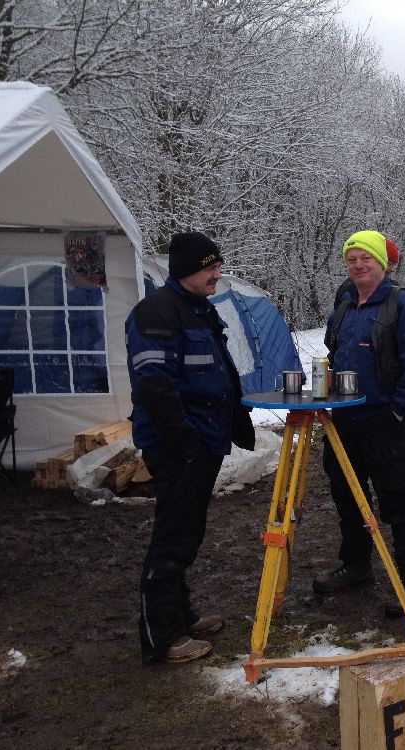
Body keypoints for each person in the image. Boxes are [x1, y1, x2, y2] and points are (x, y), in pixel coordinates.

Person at [126, 232, 255, 663]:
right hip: (178, 445)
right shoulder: (156, 312)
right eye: (210, 267)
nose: (217, 274)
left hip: (203, 441)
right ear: (186, 270)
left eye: (218, 265)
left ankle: (180, 617)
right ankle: (162, 637)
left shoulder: (198, 309)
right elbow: (154, 384)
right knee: (173, 536)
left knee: (187, 531)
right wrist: (184, 440)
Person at [312, 230, 405, 617]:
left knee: (398, 501)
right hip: (343, 422)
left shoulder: (403, 304)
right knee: (347, 497)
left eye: (366, 258)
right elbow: (334, 351)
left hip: (385, 423)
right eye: (352, 259)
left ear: (382, 263)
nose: (358, 265)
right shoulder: (345, 306)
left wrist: (398, 409)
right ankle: (356, 565)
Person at [334, 237, 400, 309]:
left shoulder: (397, 293)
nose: (392, 269)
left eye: (394, 264)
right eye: (390, 263)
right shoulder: (350, 289)